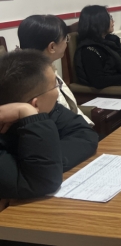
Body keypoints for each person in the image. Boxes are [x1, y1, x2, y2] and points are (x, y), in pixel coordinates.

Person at [0, 50, 98, 199]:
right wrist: (29, 114)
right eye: (55, 86)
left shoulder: (50, 109)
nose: (58, 92)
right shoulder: (29, 114)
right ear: (35, 104)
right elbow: (42, 181)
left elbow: (85, 134)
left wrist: (51, 161)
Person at [18, 14, 94, 125]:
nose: (67, 42)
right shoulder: (35, 81)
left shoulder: (44, 68)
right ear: (52, 47)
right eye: (66, 38)